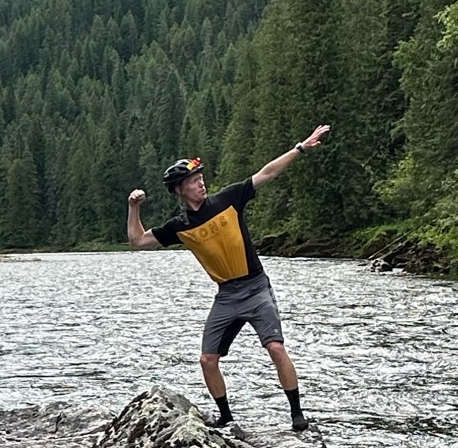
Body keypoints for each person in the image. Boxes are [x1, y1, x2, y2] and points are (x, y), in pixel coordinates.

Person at [126, 126, 330, 430]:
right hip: (227, 295)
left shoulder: (229, 199)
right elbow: (137, 240)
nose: (201, 184)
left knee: (275, 347)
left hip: (256, 287)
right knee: (207, 360)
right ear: (179, 190)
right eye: (194, 182)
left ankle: (297, 413)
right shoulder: (179, 226)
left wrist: (301, 147)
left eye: (201, 179)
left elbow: (267, 173)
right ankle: (226, 417)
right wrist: (134, 207)